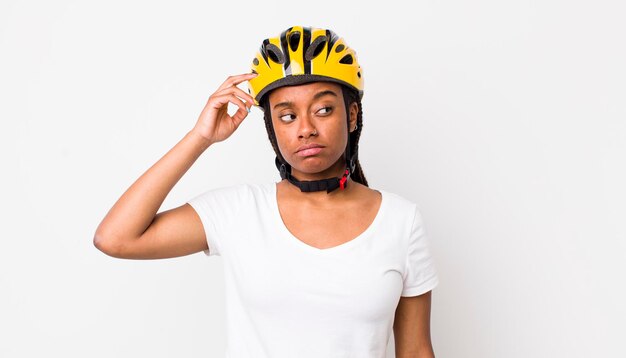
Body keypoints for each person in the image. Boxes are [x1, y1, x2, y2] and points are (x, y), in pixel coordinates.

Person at [94, 25, 439, 358]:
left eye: (323, 110)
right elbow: (116, 238)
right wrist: (200, 137)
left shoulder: (401, 221)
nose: (305, 129)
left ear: (351, 115)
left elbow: (414, 351)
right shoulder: (238, 211)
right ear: (271, 128)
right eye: (287, 116)